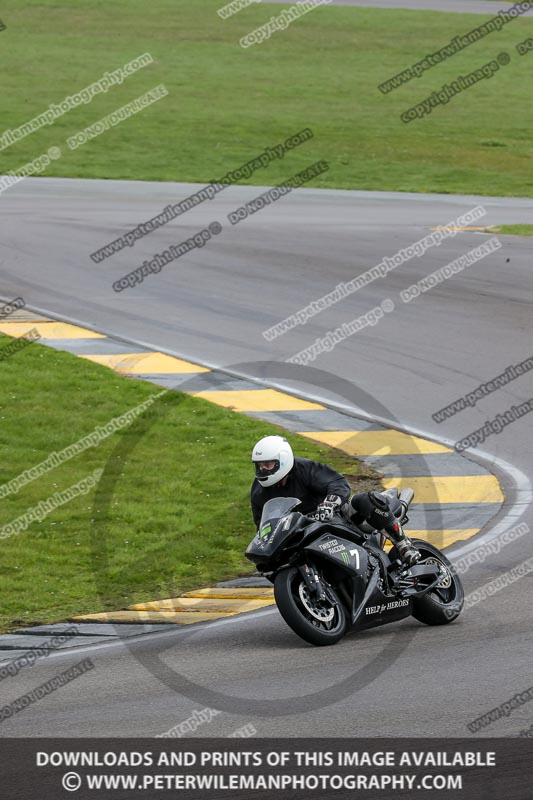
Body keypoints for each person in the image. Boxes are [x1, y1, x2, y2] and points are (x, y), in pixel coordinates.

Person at [251, 435, 420, 567]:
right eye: (259, 465)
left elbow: (337, 483)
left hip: (335, 516)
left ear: (283, 460)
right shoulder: (259, 492)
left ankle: (404, 544)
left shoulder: (304, 469)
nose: (262, 469)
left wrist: (330, 503)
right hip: (300, 533)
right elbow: (263, 524)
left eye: (267, 464)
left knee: (364, 500)